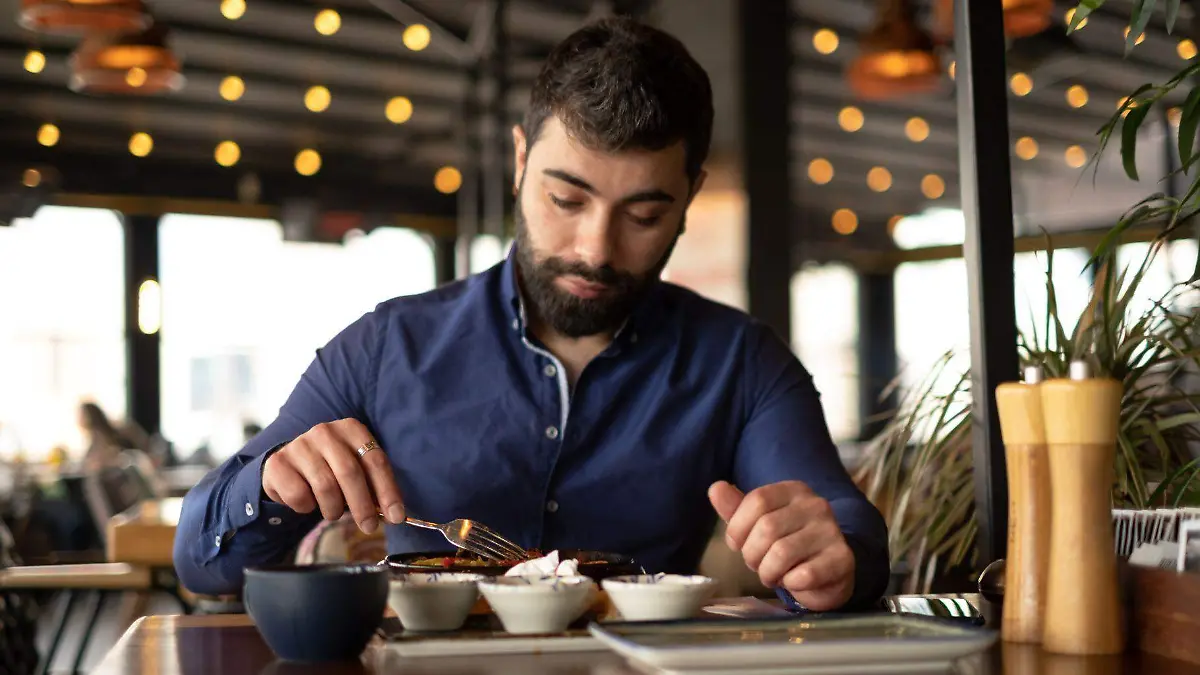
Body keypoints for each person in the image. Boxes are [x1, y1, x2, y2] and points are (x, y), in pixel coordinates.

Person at [173, 16, 889, 611]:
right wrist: (269, 483)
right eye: (566, 199)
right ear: (520, 162)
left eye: (643, 212)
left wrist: (831, 559)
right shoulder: (386, 347)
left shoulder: (742, 363)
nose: (594, 248)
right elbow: (200, 561)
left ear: (690, 194)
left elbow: (843, 522)